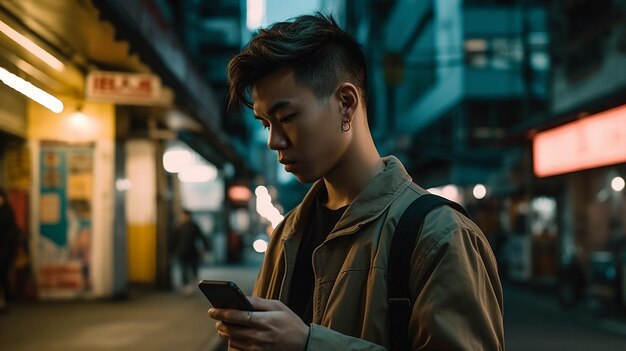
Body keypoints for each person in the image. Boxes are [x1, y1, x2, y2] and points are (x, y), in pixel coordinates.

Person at [208, 13, 504, 350]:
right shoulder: (288, 234)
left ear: (346, 104)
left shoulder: (440, 235)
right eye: (265, 124)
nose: (274, 141)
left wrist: (307, 344)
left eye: (286, 117)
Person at [171, 209, 208, 295]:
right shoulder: (179, 227)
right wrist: (173, 252)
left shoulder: (194, 227)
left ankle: (193, 284)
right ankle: (186, 287)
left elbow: (202, 237)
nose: (184, 217)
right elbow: (174, 241)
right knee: (183, 270)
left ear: (189, 216)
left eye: (186, 215)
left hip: (192, 252)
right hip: (182, 252)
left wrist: (204, 249)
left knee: (194, 269)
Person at [0, 188, 19, 312]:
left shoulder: (6, 211)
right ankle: (6, 300)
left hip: (5, 248)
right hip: (6, 247)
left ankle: (6, 300)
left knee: (2, 272)